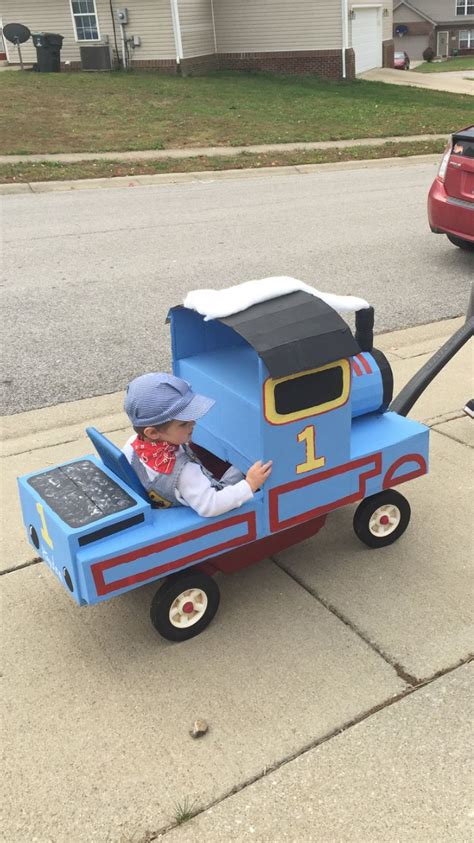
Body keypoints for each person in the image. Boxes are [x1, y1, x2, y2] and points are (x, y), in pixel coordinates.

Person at [122, 372, 272, 517]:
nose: (193, 423)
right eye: (184, 424)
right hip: (212, 496)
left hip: (178, 494)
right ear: (153, 433)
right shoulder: (186, 473)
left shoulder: (131, 445)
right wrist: (249, 484)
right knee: (243, 468)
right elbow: (211, 506)